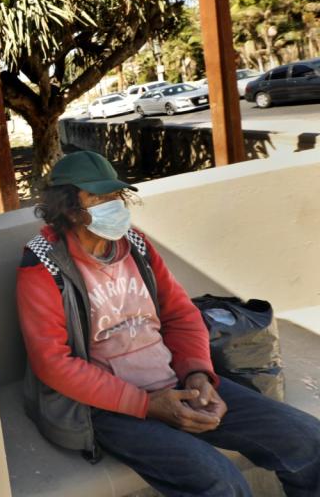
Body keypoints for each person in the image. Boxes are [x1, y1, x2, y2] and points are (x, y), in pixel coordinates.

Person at [17, 150, 320, 496]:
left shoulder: (136, 244)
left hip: (175, 380)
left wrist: (198, 375)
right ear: (68, 208)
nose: (113, 204)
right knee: (219, 483)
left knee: (307, 439)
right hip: (109, 407)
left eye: (115, 195)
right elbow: (53, 363)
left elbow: (181, 314)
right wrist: (147, 405)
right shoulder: (43, 264)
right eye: (98, 198)